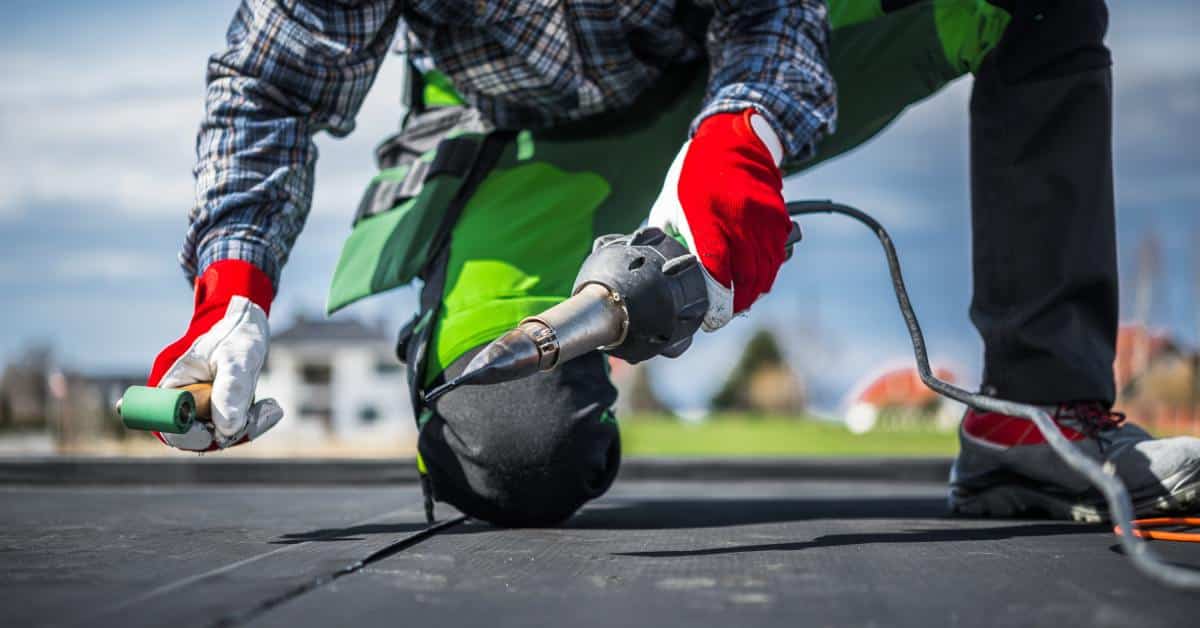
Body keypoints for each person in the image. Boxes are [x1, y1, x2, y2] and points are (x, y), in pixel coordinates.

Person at [148, 0, 1199, 525]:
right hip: (528, 143)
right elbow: (269, 86)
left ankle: (1035, 416)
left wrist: (743, 130)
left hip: (732, 81)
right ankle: (470, 396)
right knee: (511, 449)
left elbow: (772, 15)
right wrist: (230, 295)